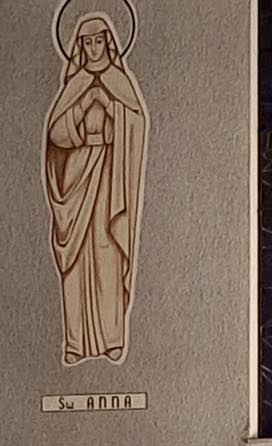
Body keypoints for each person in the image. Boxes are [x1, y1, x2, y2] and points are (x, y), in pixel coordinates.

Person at [43, 13, 148, 364]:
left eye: (98, 41)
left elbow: (137, 125)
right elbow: (56, 135)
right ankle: (75, 343)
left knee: (107, 252)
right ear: (79, 47)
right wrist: (84, 106)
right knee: (75, 261)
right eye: (86, 43)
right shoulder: (74, 85)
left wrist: (111, 106)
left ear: (109, 43)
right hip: (76, 177)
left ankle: (113, 338)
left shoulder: (120, 82)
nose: (93, 48)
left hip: (109, 177)